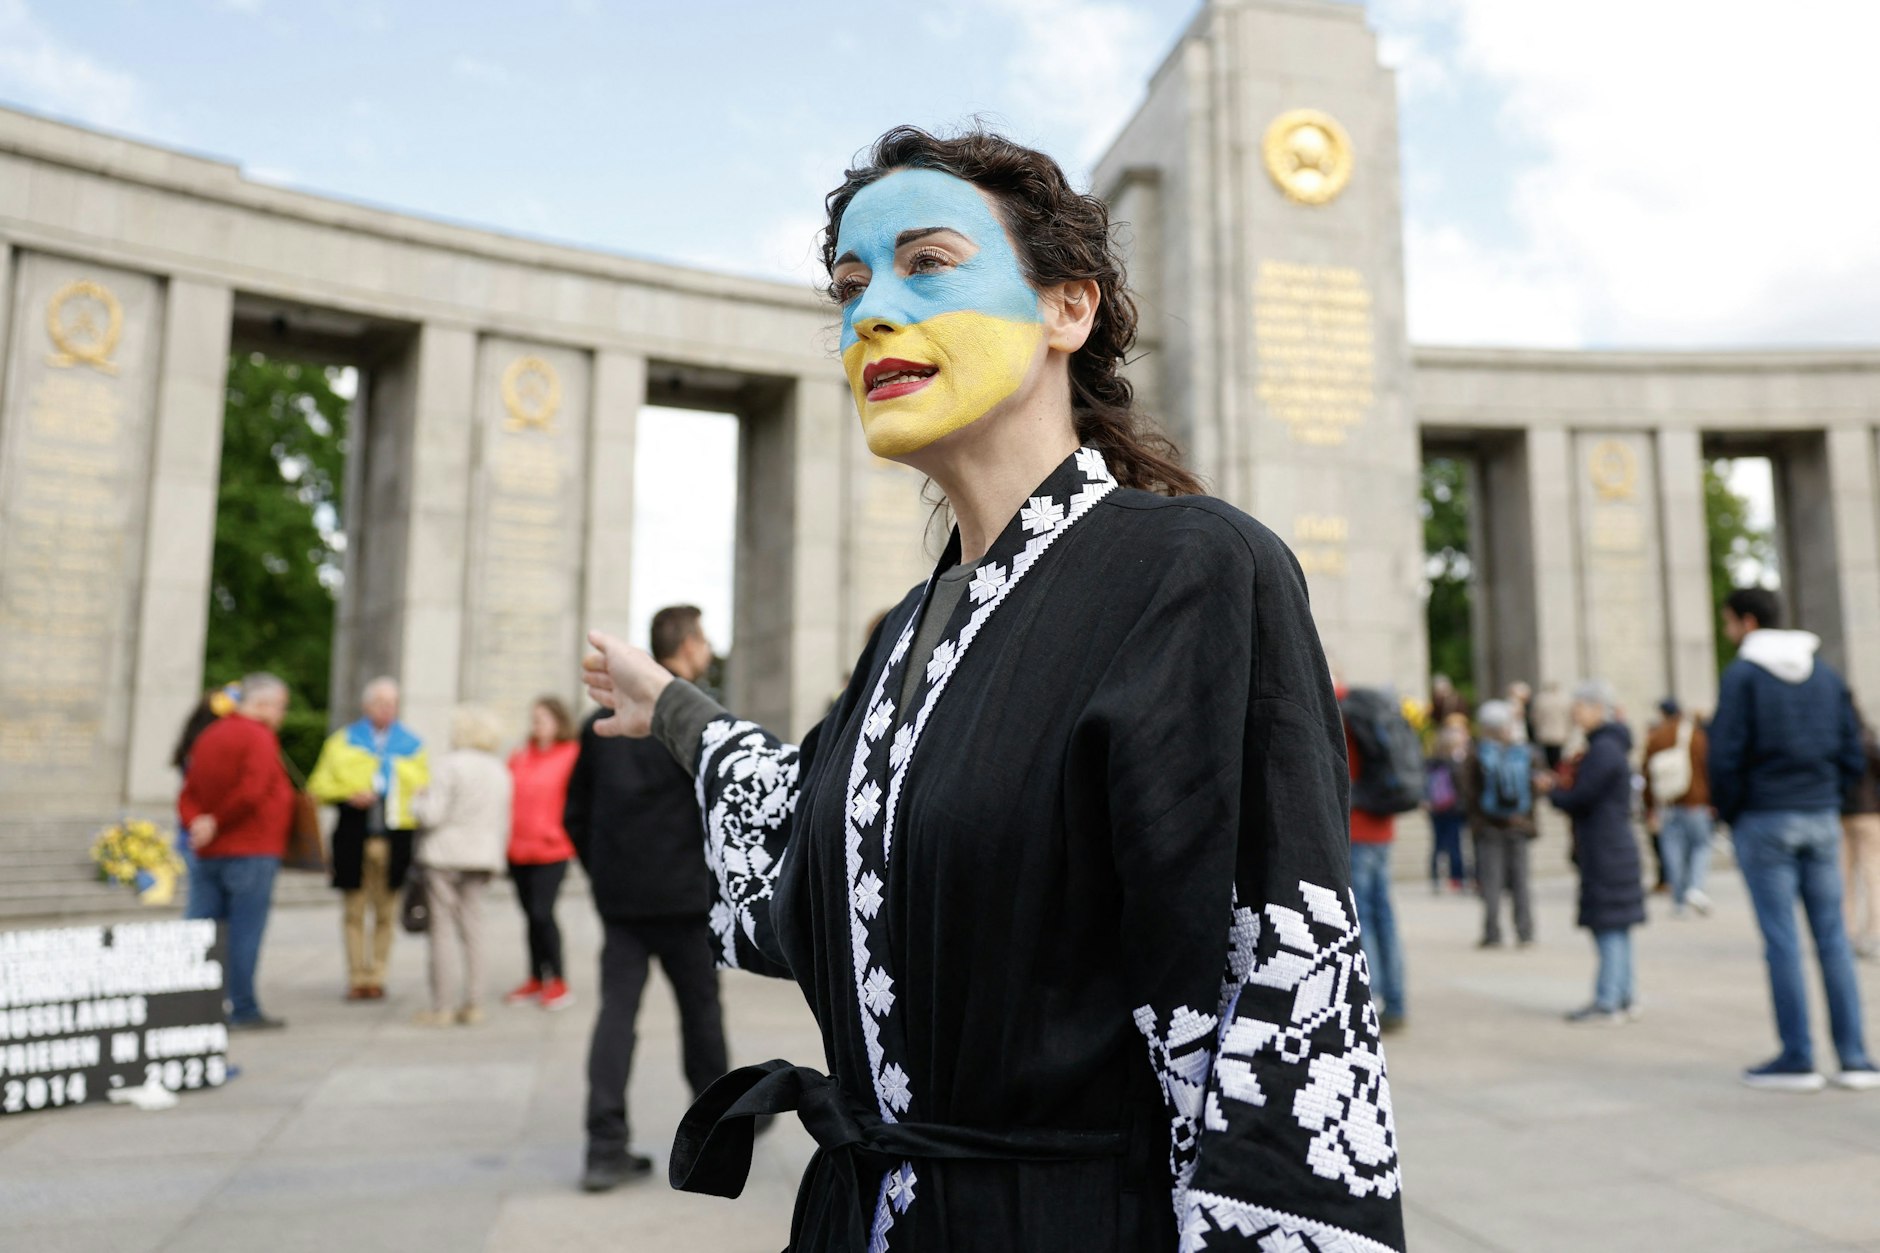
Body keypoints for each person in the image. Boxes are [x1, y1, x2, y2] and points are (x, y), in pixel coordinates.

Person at [584, 127, 1404, 1252]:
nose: (869, 312)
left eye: (927, 264)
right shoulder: (908, 634)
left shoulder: (1194, 568)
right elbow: (812, 857)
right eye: (849, 284)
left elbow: (1268, 1001)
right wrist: (677, 710)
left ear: (1067, 309)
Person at [568, 606, 729, 1193]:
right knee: (701, 1017)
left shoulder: (599, 723)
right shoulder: (695, 722)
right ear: (686, 646)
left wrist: (604, 875)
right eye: (704, 638)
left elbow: (575, 814)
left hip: (624, 902)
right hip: (686, 899)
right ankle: (717, 1136)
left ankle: (603, 1146)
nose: (708, 649)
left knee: (617, 1018)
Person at [1708, 588, 1878, 1091]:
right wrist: (1828, 792)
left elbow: (1724, 755)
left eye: (1728, 622)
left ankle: (1798, 1057)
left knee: (1782, 941)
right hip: (1820, 814)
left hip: (1765, 817)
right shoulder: (1823, 674)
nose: (1726, 632)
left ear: (1747, 622)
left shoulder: (1743, 677)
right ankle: (1854, 1057)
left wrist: (1734, 811)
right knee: (1833, 940)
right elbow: (1854, 748)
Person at [178, 674, 296, 1031]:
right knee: (244, 933)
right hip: (250, 849)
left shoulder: (210, 734)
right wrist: (215, 820)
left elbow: (188, 791)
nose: (282, 715)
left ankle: (195, 1006)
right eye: (281, 707)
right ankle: (242, 1007)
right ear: (263, 704)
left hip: (210, 852)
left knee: (203, 929)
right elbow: (253, 789)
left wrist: (198, 821)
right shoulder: (258, 736)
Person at [308, 677, 429, 1001]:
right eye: (380, 703)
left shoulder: (412, 745)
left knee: (387, 911)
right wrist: (347, 794)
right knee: (354, 910)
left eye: (392, 704)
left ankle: (377, 974)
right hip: (353, 835)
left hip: (395, 838)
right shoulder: (343, 741)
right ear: (366, 706)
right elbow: (317, 786)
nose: (387, 709)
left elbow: (425, 790)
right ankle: (356, 976)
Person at [1538, 682, 1643, 1024]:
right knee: (1618, 925)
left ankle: (1608, 1000)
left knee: (1608, 925)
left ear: (1599, 708)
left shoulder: (1603, 749)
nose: (1575, 712)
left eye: (1581, 706)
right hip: (1612, 844)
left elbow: (1581, 797)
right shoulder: (1609, 746)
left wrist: (1553, 790)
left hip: (1605, 847)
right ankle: (1623, 996)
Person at [411, 705, 512, 1027]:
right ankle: (474, 1002)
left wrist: (417, 800)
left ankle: (442, 1006)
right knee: (473, 929)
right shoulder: (500, 770)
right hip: (482, 856)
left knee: (441, 930)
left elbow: (431, 815)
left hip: (445, 854)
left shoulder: (449, 765)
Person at [1342, 684, 1417, 1034]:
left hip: (1356, 826)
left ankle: (1369, 1002)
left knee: (1363, 918)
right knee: (1384, 915)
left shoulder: (1341, 709)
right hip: (1383, 826)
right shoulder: (1375, 708)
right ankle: (1397, 1001)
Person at [505, 695, 581, 1010]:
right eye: (534, 718)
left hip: (552, 850)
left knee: (542, 912)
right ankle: (536, 976)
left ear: (558, 721)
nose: (536, 724)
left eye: (543, 718)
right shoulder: (520, 756)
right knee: (529, 917)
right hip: (518, 849)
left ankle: (558, 979)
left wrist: (561, 832)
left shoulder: (572, 755)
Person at [1465, 701, 1536, 948]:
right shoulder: (1522, 753)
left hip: (1488, 827)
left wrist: (1477, 821)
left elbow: (1468, 792)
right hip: (1518, 825)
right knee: (1521, 882)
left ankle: (1492, 933)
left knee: (1491, 882)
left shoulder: (1477, 753)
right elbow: (1534, 788)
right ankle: (1525, 932)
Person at [1642, 697, 1713, 918]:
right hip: (1696, 802)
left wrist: (1649, 807)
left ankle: (1679, 900)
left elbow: (1646, 774)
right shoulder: (1697, 737)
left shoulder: (1657, 738)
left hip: (1668, 803)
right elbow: (1709, 770)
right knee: (1700, 846)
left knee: (1672, 850)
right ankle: (1696, 886)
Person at [1844, 703, 1880, 960]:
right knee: (1873, 876)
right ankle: (1875, 933)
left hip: (1841, 815)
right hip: (1868, 813)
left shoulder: (1837, 743)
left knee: (1844, 879)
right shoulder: (1869, 742)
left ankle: (1848, 934)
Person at [1426, 723, 1469, 893]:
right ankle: (1457, 878)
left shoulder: (1431, 763)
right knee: (1455, 844)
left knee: (1437, 844)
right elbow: (1462, 786)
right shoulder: (1455, 762)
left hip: (1436, 808)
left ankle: (1436, 877)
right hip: (1453, 808)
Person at [1530, 679, 1571, 770]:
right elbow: (1568, 717)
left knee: (1548, 759)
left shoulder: (1541, 699)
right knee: (1558, 758)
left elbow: (1535, 718)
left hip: (1545, 732)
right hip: (1560, 733)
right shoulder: (1563, 699)